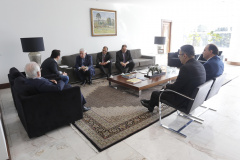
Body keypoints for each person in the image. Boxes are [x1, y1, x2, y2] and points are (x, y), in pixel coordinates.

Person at [141, 45, 206, 112]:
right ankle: (153, 102)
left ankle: (150, 106)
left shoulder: (186, 67)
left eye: (179, 55)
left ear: (185, 55)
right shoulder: (199, 64)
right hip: (194, 97)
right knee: (163, 90)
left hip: (183, 99)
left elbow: (176, 87)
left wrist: (167, 85)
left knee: (156, 92)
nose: (179, 57)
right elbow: (183, 82)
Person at [25, 62, 90, 112]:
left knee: (68, 84)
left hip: (51, 87)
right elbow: (57, 88)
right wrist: (60, 80)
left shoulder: (30, 80)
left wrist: (50, 81)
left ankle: (80, 104)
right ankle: (82, 106)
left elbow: (43, 82)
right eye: (40, 70)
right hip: (56, 94)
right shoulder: (39, 84)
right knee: (75, 88)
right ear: (38, 73)